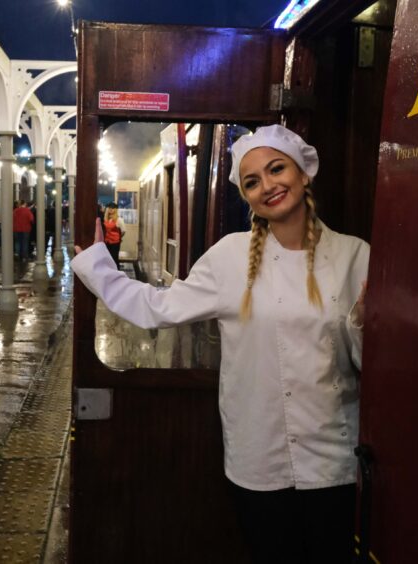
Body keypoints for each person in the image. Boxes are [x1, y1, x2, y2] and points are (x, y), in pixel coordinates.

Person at [72, 125, 368, 563]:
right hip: (258, 456)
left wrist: (364, 322)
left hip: (334, 459)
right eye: (252, 181)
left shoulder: (355, 256)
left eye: (276, 169)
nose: (267, 185)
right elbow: (158, 309)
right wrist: (99, 268)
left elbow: (368, 361)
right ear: (246, 196)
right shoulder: (230, 257)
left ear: (304, 173)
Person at [102, 202, 125, 268]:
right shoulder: (106, 219)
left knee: (114, 258)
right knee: (108, 258)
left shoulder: (119, 220)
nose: (110, 210)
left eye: (112, 208)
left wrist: (118, 237)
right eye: (109, 208)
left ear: (116, 210)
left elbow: (123, 231)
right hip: (107, 241)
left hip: (115, 243)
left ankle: (116, 273)